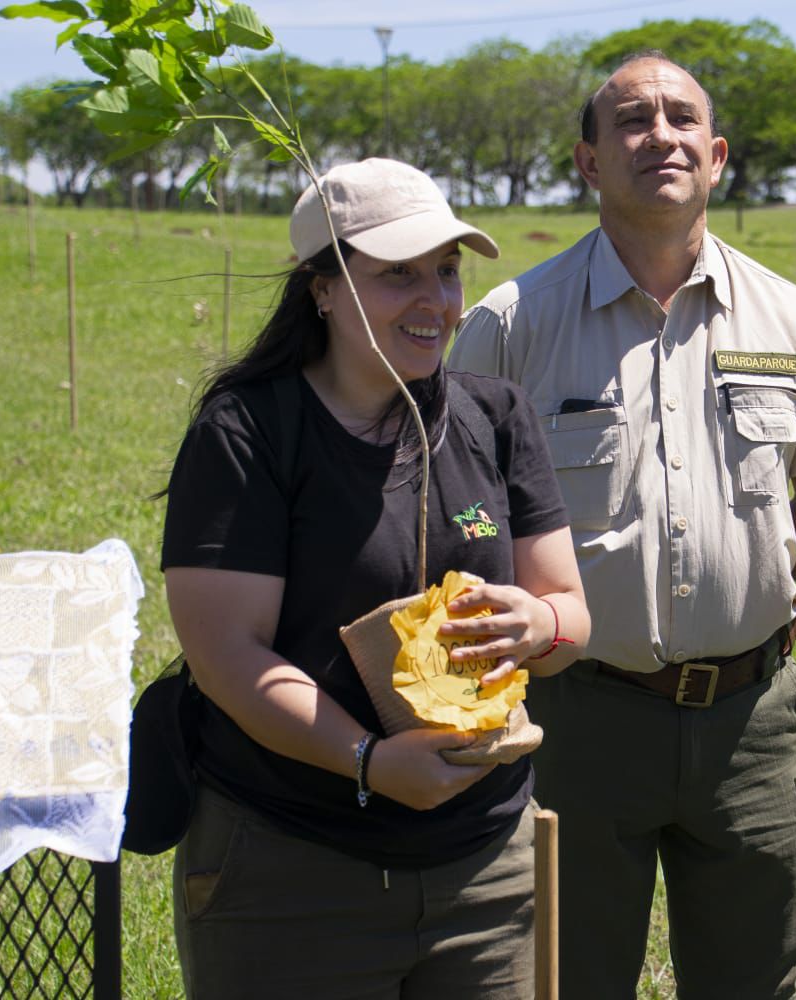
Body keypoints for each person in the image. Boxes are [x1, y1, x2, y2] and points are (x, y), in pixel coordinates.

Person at [449, 52, 796, 999]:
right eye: (631, 120)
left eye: (682, 118)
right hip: (575, 718)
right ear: (589, 162)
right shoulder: (511, 325)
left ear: (715, 156)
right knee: (564, 977)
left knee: (753, 979)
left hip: (748, 725)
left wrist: (740, 581)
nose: (661, 135)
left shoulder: (795, 319)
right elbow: (458, 512)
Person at [159, 158, 590, 999]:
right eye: (398, 275)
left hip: (486, 869)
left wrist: (537, 628)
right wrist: (367, 762)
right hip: (295, 867)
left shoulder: (495, 416)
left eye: (448, 270)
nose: (436, 299)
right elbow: (227, 657)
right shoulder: (249, 432)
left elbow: (570, 613)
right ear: (322, 288)